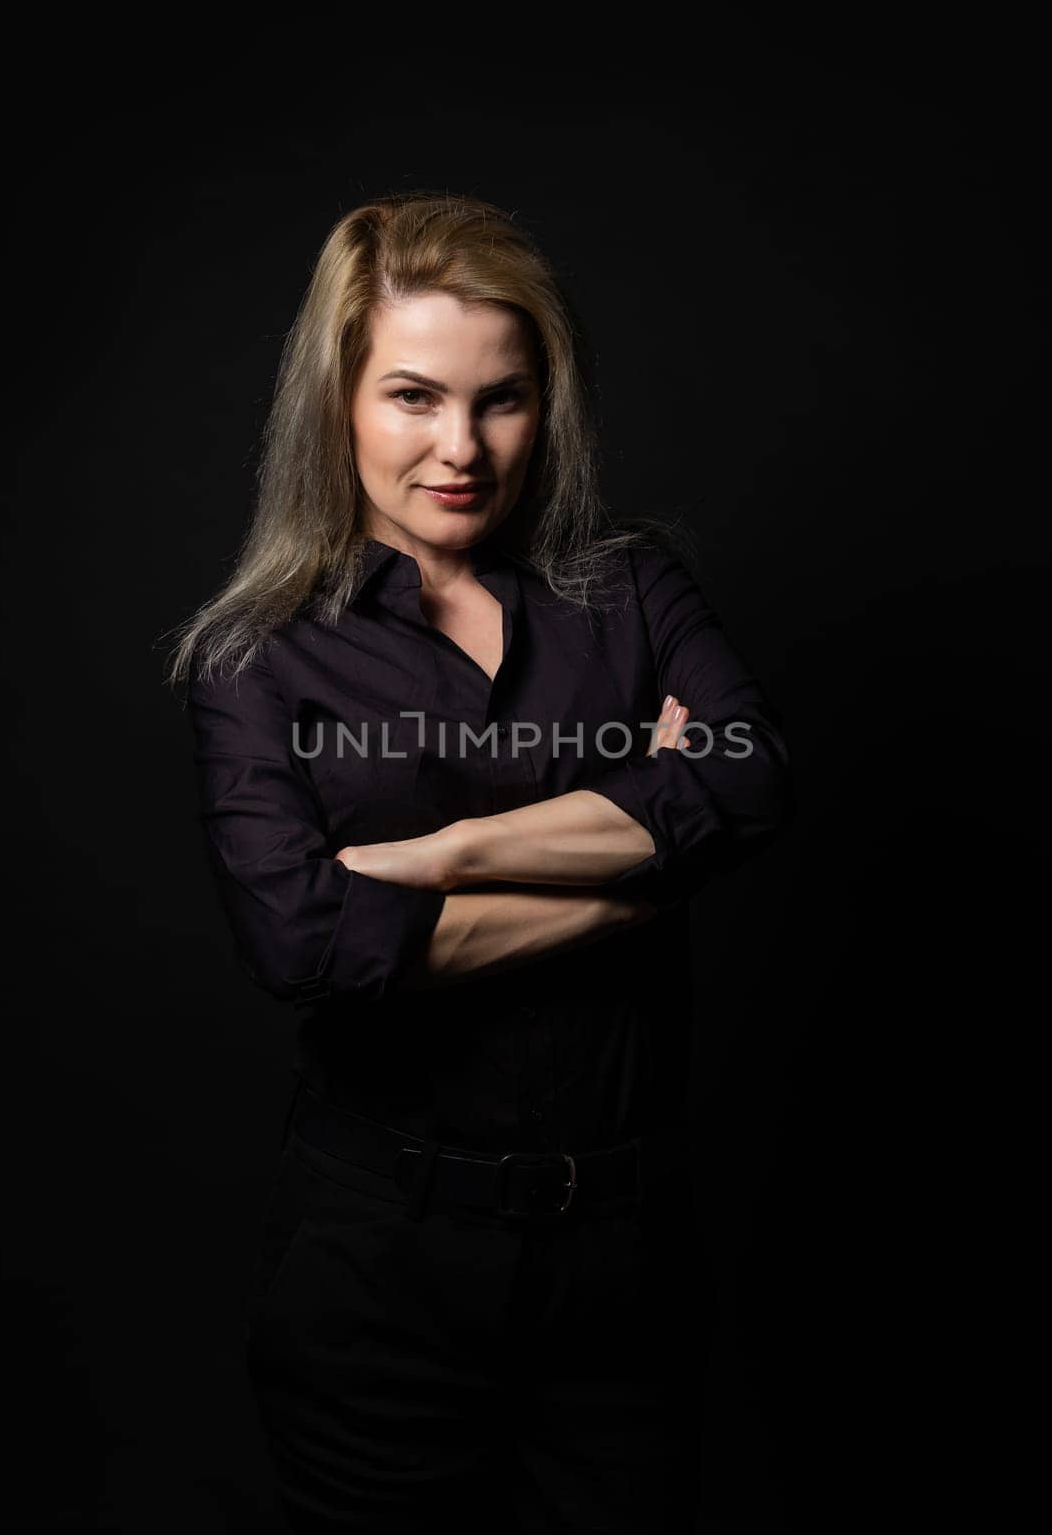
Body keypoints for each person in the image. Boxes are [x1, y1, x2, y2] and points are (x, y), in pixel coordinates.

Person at [167, 190, 794, 1533]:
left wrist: (444, 854)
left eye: (501, 399)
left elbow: (748, 777)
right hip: (378, 1270)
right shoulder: (256, 658)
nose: (461, 446)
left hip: (625, 1269)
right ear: (335, 403)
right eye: (412, 397)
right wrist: (644, 847)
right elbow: (306, 943)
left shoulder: (631, 588)